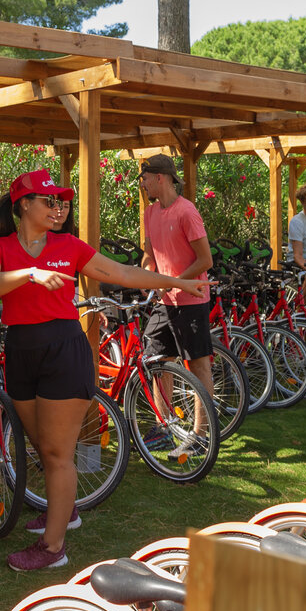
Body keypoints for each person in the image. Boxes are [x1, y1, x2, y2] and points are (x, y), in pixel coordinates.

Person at [0, 168, 211, 572]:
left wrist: (173, 280)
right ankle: (63, 512)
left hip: (64, 351)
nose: (57, 208)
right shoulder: (0, 248)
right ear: (23, 205)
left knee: (56, 451)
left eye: (60, 202)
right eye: (48, 201)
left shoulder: (70, 246)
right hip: (21, 351)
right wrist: (31, 274)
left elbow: (121, 273)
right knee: (41, 445)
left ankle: (53, 549)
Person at [138, 154, 215, 456]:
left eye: (144, 178)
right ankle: (165, 427)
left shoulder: (187, 211)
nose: (142, 184)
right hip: (164, 298)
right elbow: (149, 253)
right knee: (156, 361)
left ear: (161, 177)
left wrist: (175, 281)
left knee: (197, 365)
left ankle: (200, 436)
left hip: (191, 298)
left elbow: (205, 260)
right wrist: (148, 274)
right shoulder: (150, 213)